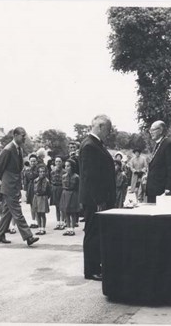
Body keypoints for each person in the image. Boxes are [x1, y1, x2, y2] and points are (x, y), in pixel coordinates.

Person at [79, 115, 116, 281]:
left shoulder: (95, 144)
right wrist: (99, 200)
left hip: (98, 198)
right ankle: (91, 269)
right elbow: (90, 177)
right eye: (107, 130)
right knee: (92, 233)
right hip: (94, 199)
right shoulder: (89, 146)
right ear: (100, 127)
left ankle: (95, 265)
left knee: (96, 233)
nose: (108, 134)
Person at [0, 127, 39, 246]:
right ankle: (28, 236)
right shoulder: (8, 150)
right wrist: (4, 181)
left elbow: (18, 168)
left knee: (7, 212)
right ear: (15, 135)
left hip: (13, 184)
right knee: (17, 212)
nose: (24, 138)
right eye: (22, 135)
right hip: (9, 185)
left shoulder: (18, 149)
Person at [146, 121, 171, 203]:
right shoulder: (158, 143)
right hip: (153, 188)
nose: (151, 132)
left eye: (153, 130)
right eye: (150, 130)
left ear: (160, 130)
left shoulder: (168, 144)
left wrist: (168, 188)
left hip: (161, 190)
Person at [60, 159, 80, 236]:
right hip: (65, 194)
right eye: (65, 166)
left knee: (73, 212)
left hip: (73, 194)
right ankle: (68, 228)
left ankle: (72, 229)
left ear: (72, 167)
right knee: (66, 212)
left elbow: (78, 187)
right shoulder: (64, 176)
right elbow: (63, 186)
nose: (66, 167)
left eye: (68, 166)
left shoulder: (76, 177)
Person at [32, 164, 51, 235]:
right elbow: (34, 189)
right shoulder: (36, 180)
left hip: (43, 197)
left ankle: (43, 228)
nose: (42, 173)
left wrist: (46, 197)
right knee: (37, 213)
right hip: (37, 197)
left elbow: (49, 191)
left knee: (42, 214)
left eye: (43, 172)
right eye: (40, 172)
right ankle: (39, 228)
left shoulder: (47, 181)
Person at [50, 156, 66, 230]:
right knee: (57, 206)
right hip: (55, 189)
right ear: (55, 163)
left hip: (62, 188)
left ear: (62, 162)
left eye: (59, 161)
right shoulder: (52, 172)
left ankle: (63, 222)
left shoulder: (64, 172)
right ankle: (58, 222)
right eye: (57, 161)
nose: (58, 163)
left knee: (62, 206)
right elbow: (51, 181)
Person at [24, 154, 39, 228]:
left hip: (37, 187)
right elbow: (25, 181)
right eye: (31, 161)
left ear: (36, 162)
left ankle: (37, 221)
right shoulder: (27, 170)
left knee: (36, 204)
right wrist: (26, 191)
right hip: (30, 188)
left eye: (34, 161)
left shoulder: (39, 170)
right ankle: (33, 220)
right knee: (31, 205)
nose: (33, 163)